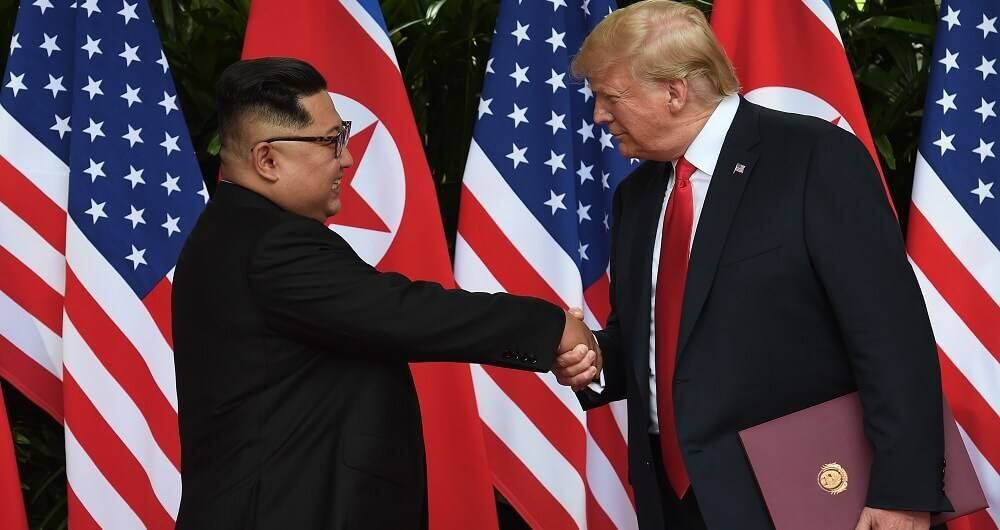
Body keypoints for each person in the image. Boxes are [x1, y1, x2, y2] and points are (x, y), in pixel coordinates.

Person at [552, 2, 952, 529]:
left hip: (805, 497)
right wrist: (596, 358)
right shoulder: (638, 195)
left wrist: (903, 491)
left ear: (676, 91)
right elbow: (660, 337)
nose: (599, 114)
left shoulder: (814, 157)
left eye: (612, 96)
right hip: (672, 503)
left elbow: (890, 338)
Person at [171, 57, 598, 530]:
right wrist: (552, 327)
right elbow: (405, 313)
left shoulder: (231, 231)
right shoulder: (270, 243)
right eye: (331, 141)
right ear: (267, 159)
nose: (347, 158)